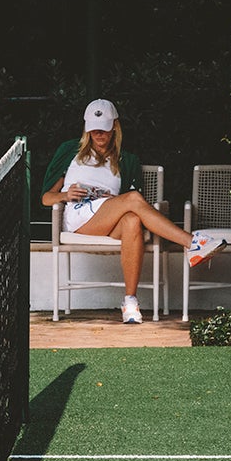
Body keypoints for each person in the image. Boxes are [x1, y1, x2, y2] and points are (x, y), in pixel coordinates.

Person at [40, 99, 220, 325]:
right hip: (79, 216)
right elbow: (46, 198)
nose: (98, 134)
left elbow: (129, 205)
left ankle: (130, 302)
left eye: (103, 128)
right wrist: (66, 195)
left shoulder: (127, 160)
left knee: (133, 219)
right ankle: (192, 243)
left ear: (114, 127)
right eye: (93, 129)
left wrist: (112, 201)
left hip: (108, 217)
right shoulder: (69, 151)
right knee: (133, 199)